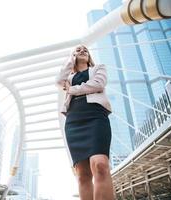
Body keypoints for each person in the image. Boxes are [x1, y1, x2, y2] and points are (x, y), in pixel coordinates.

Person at [55, 45, 114, 200]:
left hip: (96, 116)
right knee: (82, 175)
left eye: (85, 50)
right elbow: (58, 81)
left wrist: (72, 90)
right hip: (74, 121)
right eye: (78, 50)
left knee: (100, 165)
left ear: (89, 56)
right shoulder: (68, 78)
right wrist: (71, 59)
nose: (82, 51)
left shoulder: (98, 68)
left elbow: (98, 84)